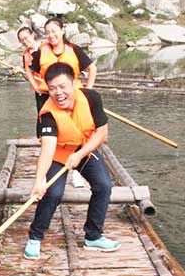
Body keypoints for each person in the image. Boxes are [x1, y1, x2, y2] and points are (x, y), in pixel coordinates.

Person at [24, 62, 120, 259]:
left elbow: (102, 133)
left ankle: (93, 236)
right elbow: (48, 147)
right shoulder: (48, 112)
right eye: (52, 88)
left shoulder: (92, 97)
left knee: (103, 185)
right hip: (59, 153)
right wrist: (38, 181)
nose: (58, 93)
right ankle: (35, 237)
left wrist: (79, 154)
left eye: (62, 87)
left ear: (74, 83)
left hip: (84, 149)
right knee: (53, 192)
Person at [28, 17, 97, 113]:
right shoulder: (41, 51)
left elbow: (92, 68)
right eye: (47, 32)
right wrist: (35, 86)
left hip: (72, 96)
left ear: (62, 30)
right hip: (47, 96)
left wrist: (88, 90)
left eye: (53, 31)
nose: (51, 35)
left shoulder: (74, 49)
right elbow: (29, 70)